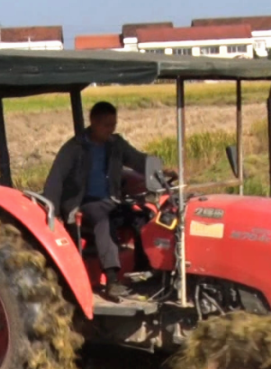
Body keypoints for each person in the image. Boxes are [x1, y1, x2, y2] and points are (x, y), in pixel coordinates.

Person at [42, 101, 175, 299]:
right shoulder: (74, 148)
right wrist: (53, 212)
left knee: (144, 216)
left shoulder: (116, 144)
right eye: (106, 125)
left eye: (113, 124)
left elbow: (138, 160)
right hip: (84, 203)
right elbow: (56, 178)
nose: (110, 129)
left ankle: (146, 269)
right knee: (103, 221)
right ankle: (112, 280)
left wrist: (162, 171)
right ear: (93, 122)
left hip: (111, 200)